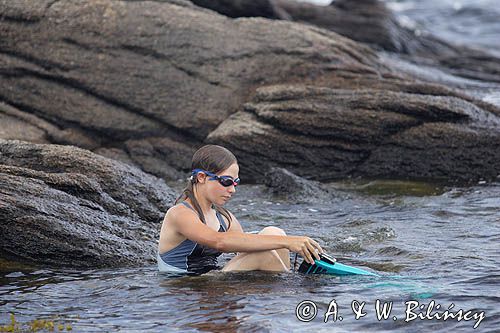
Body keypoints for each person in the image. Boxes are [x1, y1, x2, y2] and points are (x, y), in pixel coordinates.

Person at [158, 144, 323, 275]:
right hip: (184, 289)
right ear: (202, 177)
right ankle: (286, 295)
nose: (232, 190)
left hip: (211, 282)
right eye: (226, 182)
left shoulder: (224, 218)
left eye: (235, 183)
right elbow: (219, 241)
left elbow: (244, 246)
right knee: (266, 253)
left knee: (274, 232)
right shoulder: (180, 213)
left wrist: (290, 243)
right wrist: (290, 243)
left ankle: (284, 288)